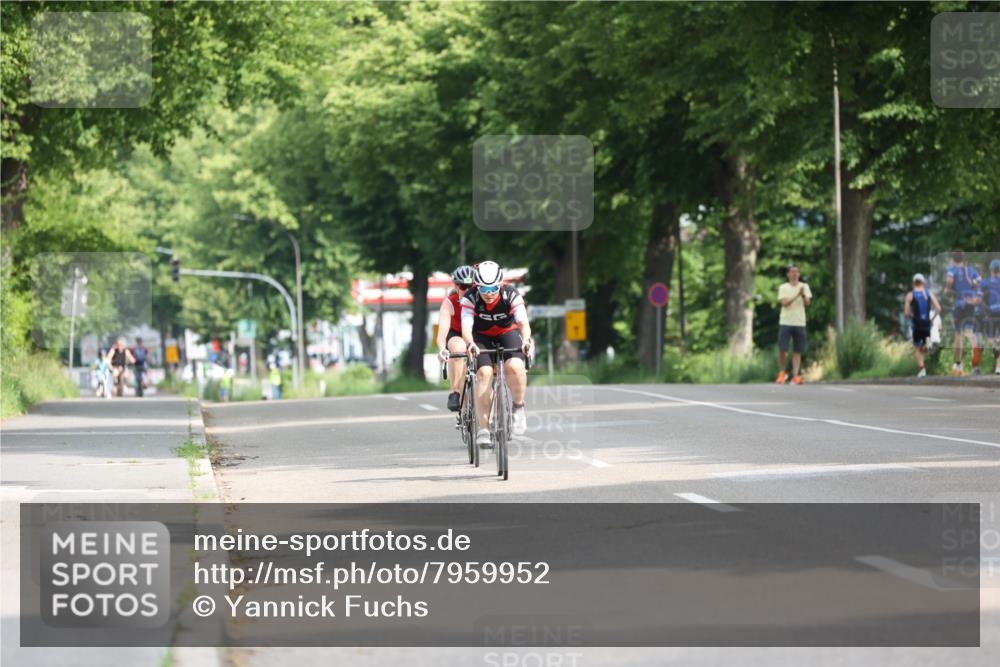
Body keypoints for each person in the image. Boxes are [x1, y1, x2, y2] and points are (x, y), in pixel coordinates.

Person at [461, 261, 533, 448]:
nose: (489, 292)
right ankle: (483, 429)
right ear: (477, 286)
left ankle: (518, 408)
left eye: (493, 287)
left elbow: (523, 323)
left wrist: (525, 340)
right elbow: (466, 327)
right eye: (484, 288)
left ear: (500, 284)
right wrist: (470, 344)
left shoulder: (511, 294)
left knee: (515, 366)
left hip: (507, 333)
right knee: (484, 373)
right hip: (480, 337)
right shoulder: (470, 298)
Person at [436, 265, 475, 412]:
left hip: (476, 334)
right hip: (457, 334)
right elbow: (442, 333)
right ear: (456, 286)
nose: (466, 290)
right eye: (463, 287)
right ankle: (455, 392)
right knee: (458, 349)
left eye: (470, 287)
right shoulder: (449, 302)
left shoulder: (481, 300)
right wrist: (441, 349)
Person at [945, 250, 982, 376]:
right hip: (971, 304)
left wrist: (948, 289)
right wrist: (973, 285)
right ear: (963, 258)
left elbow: (950, 281)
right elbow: (979, 281)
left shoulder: (952, 270)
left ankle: (958, 365)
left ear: (953, 259)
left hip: (959, 305)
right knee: (970, 333)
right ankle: (976, 365)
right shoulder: (971, 270)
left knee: (958, 335)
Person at [775, 265, 812, 385]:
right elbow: (785, 303)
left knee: (798, 350)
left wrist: (802, 295)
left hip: (799, 322)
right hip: (786, 321)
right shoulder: (783, 287)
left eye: (796, 271)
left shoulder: (804, 286)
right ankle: (782, 373)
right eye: (792, 272)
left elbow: (807, 303)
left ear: (799, 274)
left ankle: (795, 376)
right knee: (782, 349)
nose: (795, 274)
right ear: (788, 274)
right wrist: (797, 294)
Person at [903, 273, 941, 378]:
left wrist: (909, 316)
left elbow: (906, 313)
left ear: (913, 283)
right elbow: (938, 308)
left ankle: (922, 369)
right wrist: (932, 319)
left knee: (917, 347)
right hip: (927, 324)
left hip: (916, 324)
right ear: (923, 282)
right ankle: (927, 346)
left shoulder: (910, 295)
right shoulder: (929, 294)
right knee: (925, 345)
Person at [978, 258, 1000, 375]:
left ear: (991, 270)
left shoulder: (984, 283)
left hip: (990, 314)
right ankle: (998, 367)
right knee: (997, 341)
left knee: (991, 341)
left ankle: (998, 365)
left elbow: (980, 300)